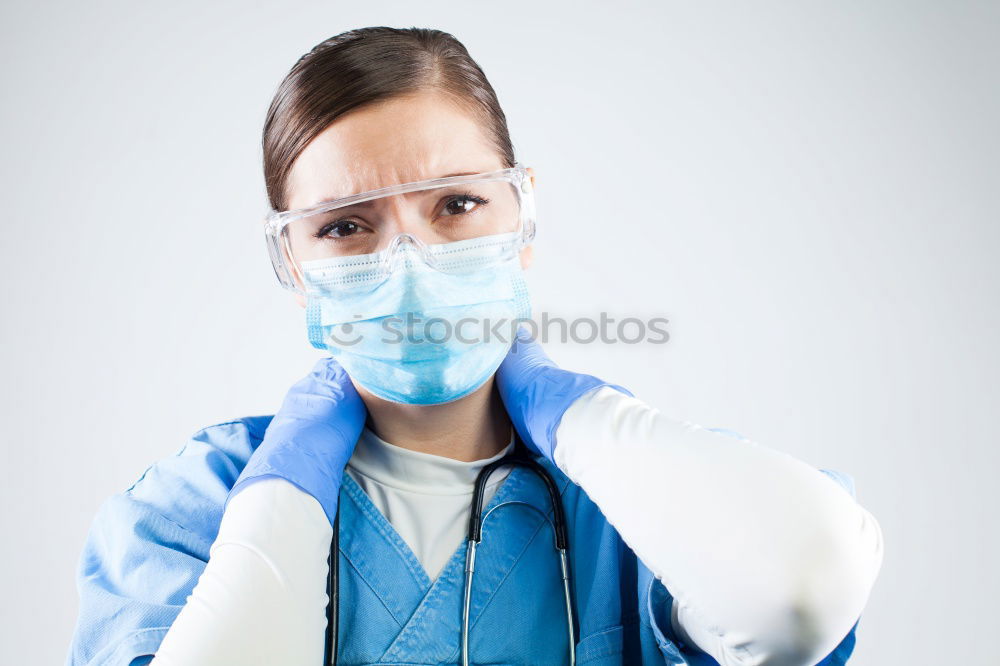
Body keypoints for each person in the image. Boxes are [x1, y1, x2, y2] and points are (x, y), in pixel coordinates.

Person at [65, 27, 884, 666]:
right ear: (293, 264)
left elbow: (802, 595)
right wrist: (284, 497)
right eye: (346, 227)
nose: (410, 261)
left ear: (522, 220)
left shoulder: (643, 503)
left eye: (456, 206)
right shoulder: (193, 511)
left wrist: (580, 415)